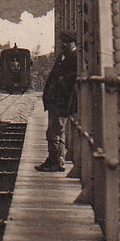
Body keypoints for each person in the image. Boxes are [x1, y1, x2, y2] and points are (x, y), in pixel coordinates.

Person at [36, 32, 78, 172]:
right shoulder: (63, 56)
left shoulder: (75, 57)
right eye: (61, 42)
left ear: (72, 42)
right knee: (55, 131)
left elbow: (75, 75)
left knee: (55, 131)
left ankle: (55, 161)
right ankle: (55, 159)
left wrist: (64, 79)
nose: (62, 45)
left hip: (62, 101)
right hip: (56, 101)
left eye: (65, 42)